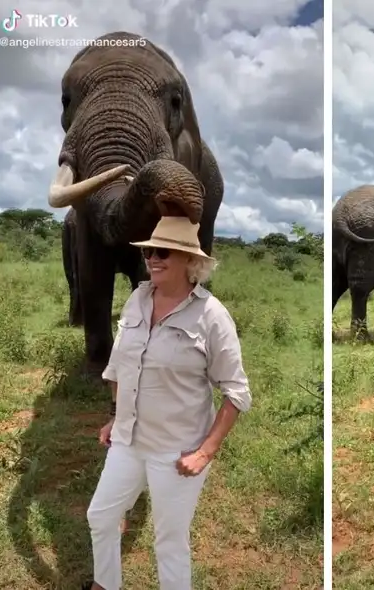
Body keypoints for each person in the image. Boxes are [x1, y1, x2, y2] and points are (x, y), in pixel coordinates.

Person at [83, 213, 252, 590]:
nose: (153, 259)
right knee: (101, 516)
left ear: (190, 261)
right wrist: (116, 415)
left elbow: (237, 392)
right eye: (149, 252)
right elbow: (119, 367)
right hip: (128, 441)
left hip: (176, 451)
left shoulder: (211, 316)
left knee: (169, 541)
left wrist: (205, 452)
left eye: (163, 253)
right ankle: (105, 585)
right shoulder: (137, 300)